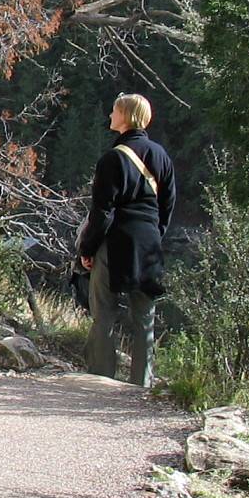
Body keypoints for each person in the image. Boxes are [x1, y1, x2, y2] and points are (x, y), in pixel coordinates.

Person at [78, 93, 176, 386]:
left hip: (115, 240)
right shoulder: (162, 156)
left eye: (115, 110)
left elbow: (102, 211)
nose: (110, 114)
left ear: (126, 116)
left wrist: (88, 247)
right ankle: (141, 386)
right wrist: (155, 237)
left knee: (104, 311)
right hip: (149, 243)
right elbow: (167, 206)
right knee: (145, 318)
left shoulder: (113, 158)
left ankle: (102, 381)